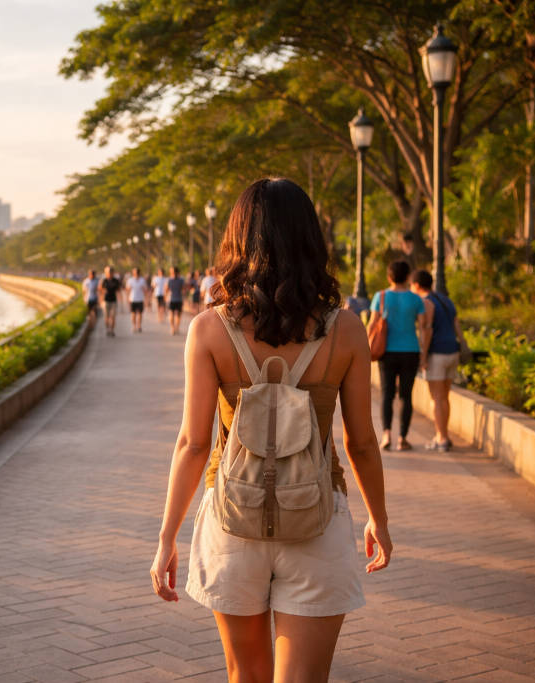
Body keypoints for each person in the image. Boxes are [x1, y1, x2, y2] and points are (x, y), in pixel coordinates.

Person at [151, 178, 392, 682]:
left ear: (239, 240)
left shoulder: (209, 329)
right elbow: (362, 442)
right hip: (318, 516)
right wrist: (379, 521)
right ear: (311, 239)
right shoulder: (345, 329)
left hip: (231, 517)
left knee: (246, 676)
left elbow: (193, 443)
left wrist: (167, 537)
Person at [370, 260, 428, 451]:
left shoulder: (381, 296)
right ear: (408, 277)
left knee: (387, 394)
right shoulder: (415, 299)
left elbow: (372, 324)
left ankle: (386, 435)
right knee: (406, 395)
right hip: (410, 351)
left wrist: (364, 347)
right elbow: (423, 328)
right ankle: (403, 438)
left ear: (389, 276)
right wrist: (424, 354)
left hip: (386, 352)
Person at [410, 269, 463, 451]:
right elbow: (457, 324)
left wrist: (422, 357)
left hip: (437, 354)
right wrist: (463, 346)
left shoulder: (426, 302)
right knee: (445, 398)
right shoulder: (446, 300)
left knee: (436, 398)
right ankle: (442, 434)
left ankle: (441, 438)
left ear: (416, 285)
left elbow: (427, 330)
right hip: (452, 351)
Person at [99, 266, 122, 337]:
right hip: (106, 301)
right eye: (108, 272)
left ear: (113, 273)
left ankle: (112, 330)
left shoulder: (116, 281)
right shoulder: (104, 280)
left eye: (110, 272)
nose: (109, 273)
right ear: (106, 273)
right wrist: (100, 300)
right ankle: (107, 329)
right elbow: (99, 289)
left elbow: (119, 291)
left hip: (113, 301)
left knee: (113, 316)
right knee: (106, 317)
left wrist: (121, 300)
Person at [126, 267, 149, 333]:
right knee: (133, 314)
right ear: (133, 273)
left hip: (140, 299)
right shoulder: (130, 280)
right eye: (134, 272)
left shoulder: (142, 280)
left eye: (137, 272)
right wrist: (128, 299)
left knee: (140, 313)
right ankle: (134, 326)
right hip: (132, 299)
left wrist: (146, 299)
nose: (136, 273)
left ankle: (139, 326)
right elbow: (127, 290)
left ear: (139, 273)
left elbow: (145, 290)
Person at [166, 266, 186, 335]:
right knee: (176, 314)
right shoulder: (181, 280)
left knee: (174, 314)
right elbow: (183, 290)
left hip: (174, 299)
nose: (171, 273)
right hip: (176, 299)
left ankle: (174, 328)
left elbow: (166, 289)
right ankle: (175, 328)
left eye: (172, 271)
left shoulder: (170, 280)